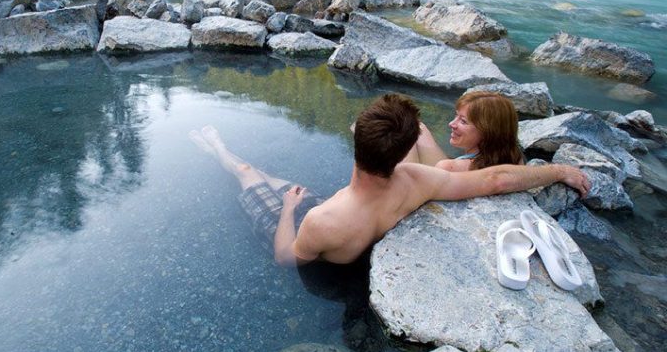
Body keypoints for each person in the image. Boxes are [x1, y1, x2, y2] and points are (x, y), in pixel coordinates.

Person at [190, 94, 589, 267]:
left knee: (246, 174)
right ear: (403, 152)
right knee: (267, 176)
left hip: (301, 221)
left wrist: (291, 210)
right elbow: (497, 179)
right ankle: (225, 153)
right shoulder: (418, 180)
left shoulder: (321, 221)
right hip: (338, 206)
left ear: (355, 142)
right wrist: (557, 170)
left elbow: (284, 258)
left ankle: (217, 150)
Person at [413, 91, 524, 172]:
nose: (451, 124)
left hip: (445, 175)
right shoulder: (515, 157)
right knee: (416, 127)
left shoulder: (448, 167)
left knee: (404, 130)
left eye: (463, 121)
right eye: (456, 115)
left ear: (487, 131)